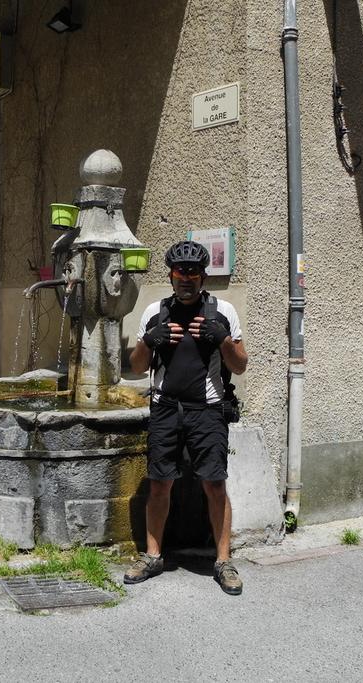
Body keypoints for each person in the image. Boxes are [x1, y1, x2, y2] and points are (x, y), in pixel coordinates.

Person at [124, 240, 249, 595]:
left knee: (214, 484)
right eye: (181, 272)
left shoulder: (222, 311)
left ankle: (223, 561)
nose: (187, 279)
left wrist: (222, 339)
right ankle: (152, 556)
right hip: (165, 408)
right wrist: (150, 341)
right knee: (160, 483)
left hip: (208, 410)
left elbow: (239, 365)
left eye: (194, 272)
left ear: (203, 276)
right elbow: (135, 367)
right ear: (171, 275)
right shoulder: (155, 313)